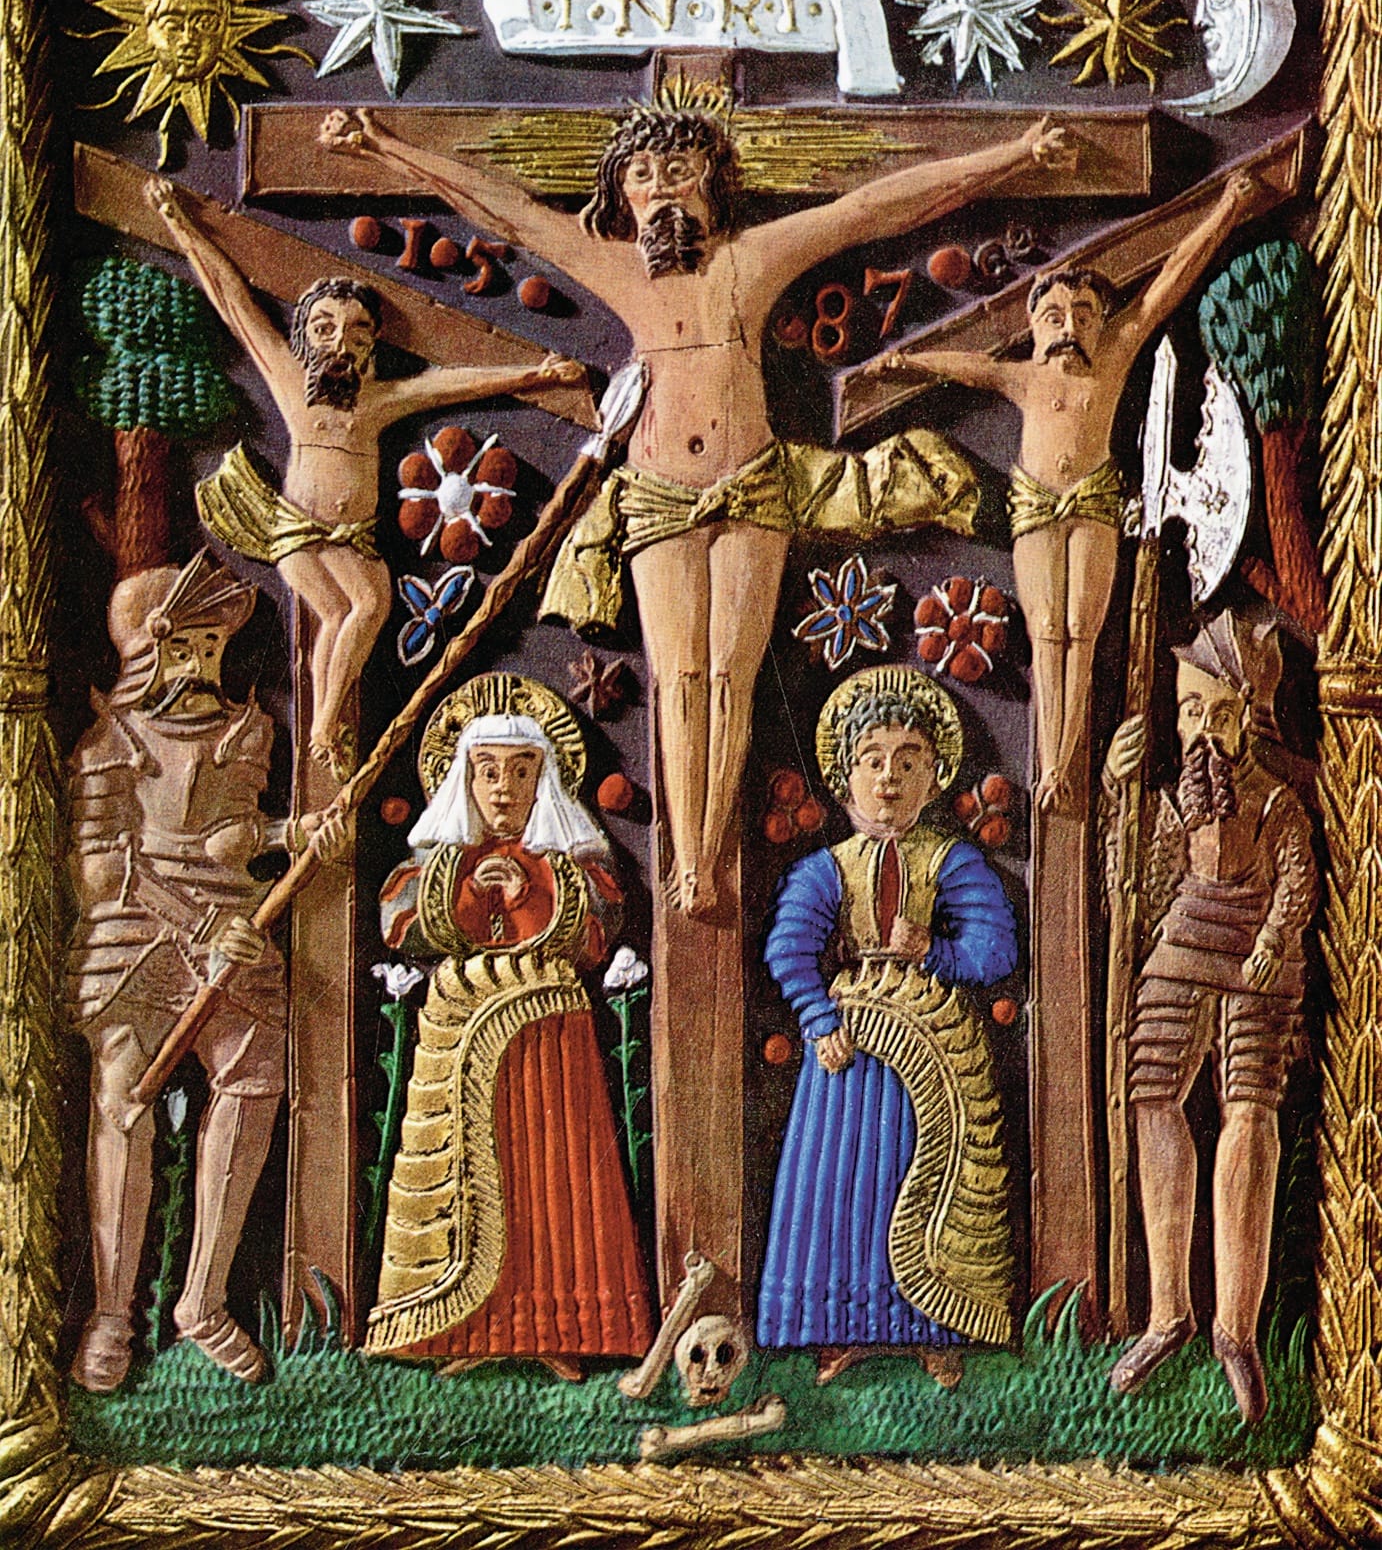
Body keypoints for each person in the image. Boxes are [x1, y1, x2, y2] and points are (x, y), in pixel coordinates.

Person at [319, 100, 1073, 914]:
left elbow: (875, 208)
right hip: (658, 492)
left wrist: (1018, 155)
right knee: (679, 674)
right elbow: (508, 212)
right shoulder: (617, 268)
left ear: (713, 187)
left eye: (680, 173)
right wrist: (384, 147)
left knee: (729, 675)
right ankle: (689, 859)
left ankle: (710, 849)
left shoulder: (750, 260)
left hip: (752, 486)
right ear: (622, 197)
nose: (662, 192)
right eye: (643, 178)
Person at [144, 176, 587, 777]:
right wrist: (179, 224)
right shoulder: (292, 388)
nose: (341, 344)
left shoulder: (376, 401)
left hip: (349, 537)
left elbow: (451, 385)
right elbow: (234, 303)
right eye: (324, 328)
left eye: (357, 332)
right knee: (370, 602)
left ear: (372, 345)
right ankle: (326, 722)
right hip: (298, 532)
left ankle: (322, 726)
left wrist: (536, 375)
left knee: (340, 617)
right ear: (303, 336)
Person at [868, 170, 1262, 815]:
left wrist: (1228, 206)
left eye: (1084, 315)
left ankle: (1065, 758)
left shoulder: (1114, 356)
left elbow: (1170, 282)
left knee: (1083, 628)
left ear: (1102, 322)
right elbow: (970, 368)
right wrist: (907, 362)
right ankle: (1052, 760)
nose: (1069, 327)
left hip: (1093, 502)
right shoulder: (1024, 377)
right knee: (1047, 629)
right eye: (1054, 317)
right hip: (1035, 503)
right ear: (1033, 326)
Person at [68, 550, 347, 1392]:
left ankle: (202, 1300)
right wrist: (197, 924)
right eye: (187, 647)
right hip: (134, 942)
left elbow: (235, 841)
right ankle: (111, 1317)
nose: (201, 667)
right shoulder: (112, 740)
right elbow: (97, 869)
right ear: (149, 650)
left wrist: (292, 837)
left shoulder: (247, 731)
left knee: (254, 1077)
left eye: (213, 648)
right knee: (124, 1100)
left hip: (235, 936)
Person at [367, 673, 653, 1377]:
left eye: (521, 772)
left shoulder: (572, 861)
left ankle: (559, 1329)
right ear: (463, 778)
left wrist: (532, 891)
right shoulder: (438, 858)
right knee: (463, 1172)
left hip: (548, 1035)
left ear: (544, 779)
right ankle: (464, 1331)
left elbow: (598, 930)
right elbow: (400, 923)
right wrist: (466, 890)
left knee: (555, 1180)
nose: (503, 789)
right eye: (488, 771)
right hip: (461, 1028)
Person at [756, 665, 1019, 1387]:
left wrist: (933, 950)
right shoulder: (828, 868)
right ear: (844, 779)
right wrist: (818, 1018)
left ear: (935, 777)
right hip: (848, 1055)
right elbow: (789, 950)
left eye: (908, 762)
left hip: (936, 1049)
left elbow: (996, 947)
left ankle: (935, 1329)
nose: (889, 780)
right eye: (872, 762)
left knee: (934, 1179)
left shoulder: (950, 860)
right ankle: (839, 1331)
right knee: (839, 1184)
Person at [1101, 612, 1317, 1424]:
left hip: (1256, 957)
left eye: (1217, 713)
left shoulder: (1275, 802)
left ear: (1247, 718)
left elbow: (1296, 882)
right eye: (1189, 711)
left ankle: (1237, 1331)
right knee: (1153, 1098)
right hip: (1183, 944)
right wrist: (1119, 793)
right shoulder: (1173, 803)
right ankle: (1168, 1314)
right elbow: (1137, 886)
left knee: (1249, 1114)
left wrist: (1272, 941)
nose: (1201, 731)